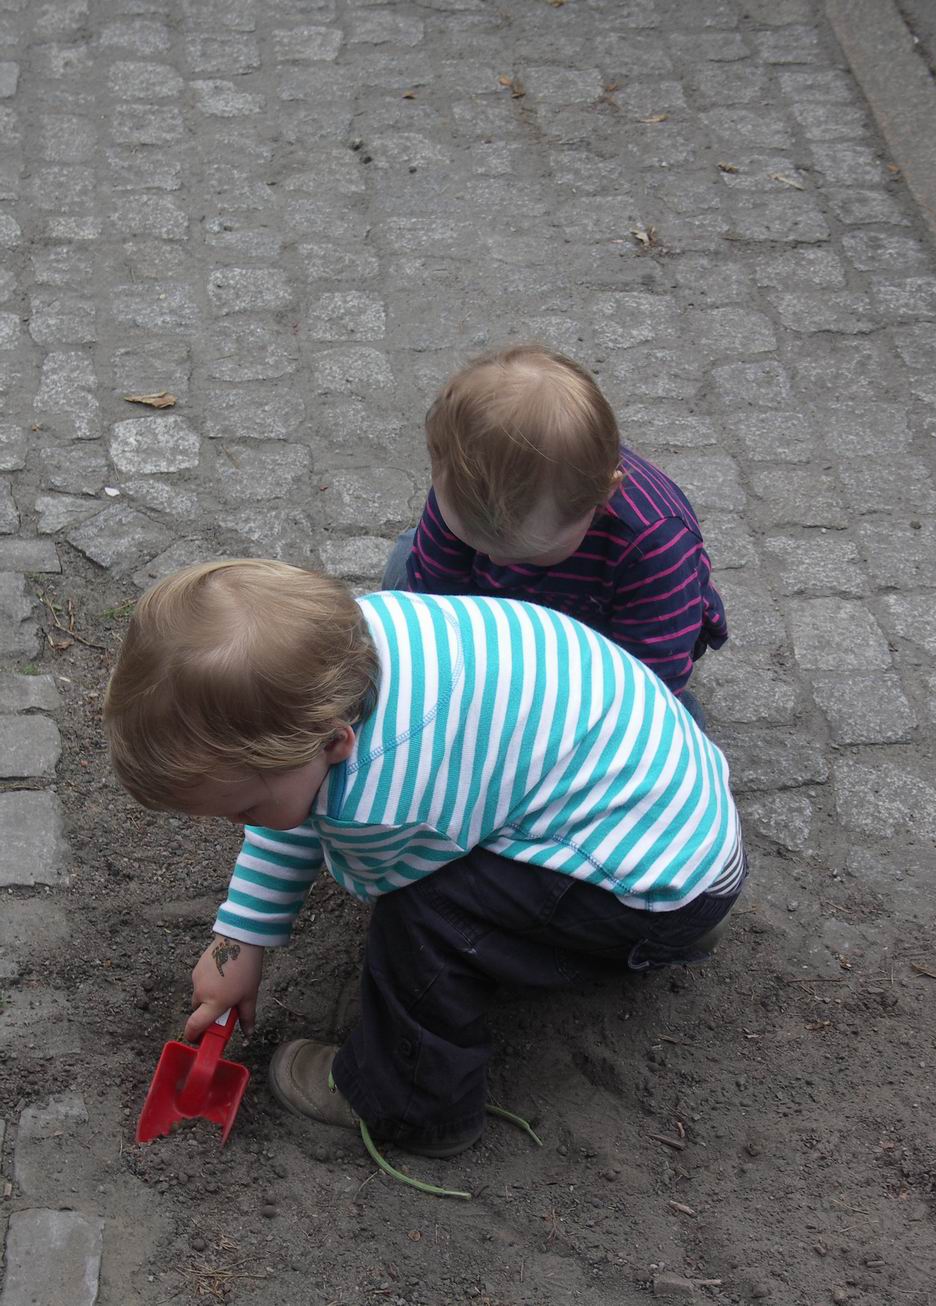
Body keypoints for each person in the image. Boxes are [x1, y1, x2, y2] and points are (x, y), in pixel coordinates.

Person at [104, 559, 746, 1170]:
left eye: (242, 808)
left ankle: (412, 1104)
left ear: (334, 741)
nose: (239, 825)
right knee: (331, 820)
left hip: (651, 894)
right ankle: (669, 916)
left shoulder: (378, 802)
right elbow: (295, 802)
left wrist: (260, 916)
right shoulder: (356, 640)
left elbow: (336, 841)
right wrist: (241, 934)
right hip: (683, 820)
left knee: (425, 915)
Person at [383, 345, 727, 724]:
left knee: (676, 722)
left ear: (601, 499)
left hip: (600, 639)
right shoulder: (464, 484)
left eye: (525, 554)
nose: (495, 562)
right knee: (406, 562)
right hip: (503, 618)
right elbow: (435, 595)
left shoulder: (655, 546)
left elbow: (649, 679)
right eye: (473, 540)